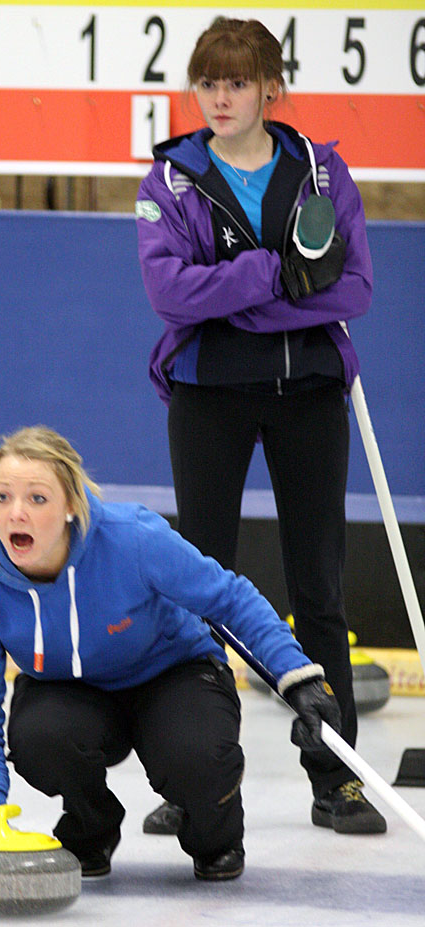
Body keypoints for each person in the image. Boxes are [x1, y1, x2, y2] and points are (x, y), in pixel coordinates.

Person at [135, 16, 386, 836]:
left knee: (318, 582)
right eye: (207, 81)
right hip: (210, 395)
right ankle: (196, 777)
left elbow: (352, 289)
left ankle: (337, 777)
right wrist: (276, 275)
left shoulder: (321, 171)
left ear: (270, 89)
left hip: (310, 391)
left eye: (235, 82)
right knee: (199, 585)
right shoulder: (170, 179)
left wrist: (232, 290)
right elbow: (171, 294)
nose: (218, 96)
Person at [0, 424, 341, 881]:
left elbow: (230, 599)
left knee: (197, 757)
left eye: (37, 498)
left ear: (71, 506)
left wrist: (299, 677)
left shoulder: (132, 538)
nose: (16, 513)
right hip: (72, 693)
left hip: (173, 674)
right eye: (2, 497)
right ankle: (90, 829)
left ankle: (215, 832)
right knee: (40, 738)